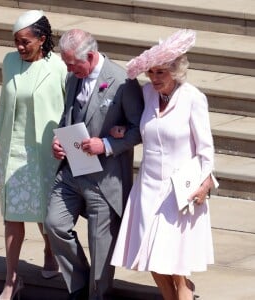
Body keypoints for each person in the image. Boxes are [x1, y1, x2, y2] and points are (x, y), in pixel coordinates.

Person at [111, 29, 218, 300]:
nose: (155, 78)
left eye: (161, 72)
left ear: (176, 70)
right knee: (150, 258)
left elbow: (206, 149)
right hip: (147, 188)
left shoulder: (193, 98)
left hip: (179, 192)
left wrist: (205, 183)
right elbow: (140, 126)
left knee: (176, 264)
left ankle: (183, 293)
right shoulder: (146, 94)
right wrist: (122, 131)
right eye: (152, 72)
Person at [44, 29, 144, 300]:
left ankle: (96, 294)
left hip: (105, 178)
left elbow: (139, 129)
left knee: (101, 247)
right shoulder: (73, 77)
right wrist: (59, 141)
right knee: (54, 223)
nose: (68, 68)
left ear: (89, 56)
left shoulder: (123, 81)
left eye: (71, 64)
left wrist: (108, 145)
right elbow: (68, 115)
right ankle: (79, 284)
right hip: (71, 172)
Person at [0, 10, 67, 300]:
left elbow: (69, 109)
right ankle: (11, 280)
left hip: (44, 149)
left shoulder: (58, 67)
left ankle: (49, 249)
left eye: (25, 42)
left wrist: (70, 146)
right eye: (16, 42)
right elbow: (3, 103)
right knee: (12, 213)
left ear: (42, 39)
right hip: (14, 148)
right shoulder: (9, 62)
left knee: (45, 211)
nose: (19, 48)